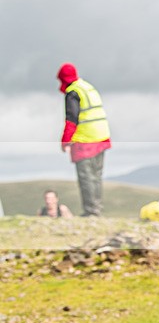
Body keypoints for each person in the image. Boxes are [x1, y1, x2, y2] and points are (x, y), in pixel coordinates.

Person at [57, 63, 111, 217]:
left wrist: (65, 141)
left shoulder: (73, 92)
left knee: (86, 177)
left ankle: (91, 211)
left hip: (85, 140)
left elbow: (71, 119)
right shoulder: (87, 87)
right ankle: (97, 209)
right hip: (101, 136)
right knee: (96, 176)